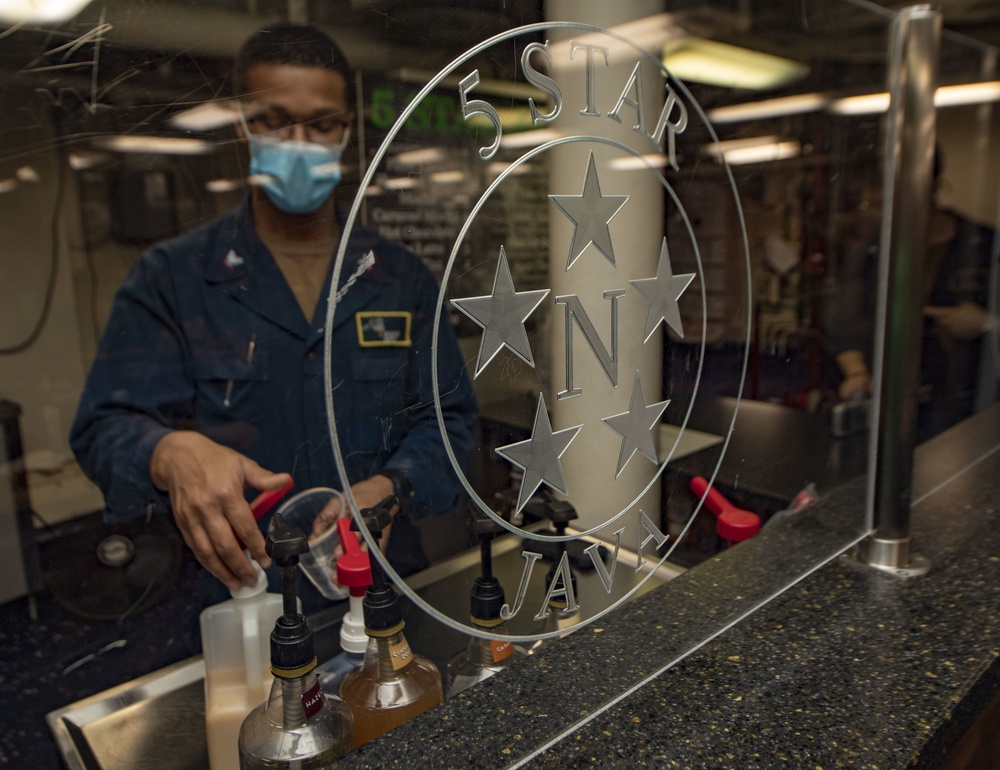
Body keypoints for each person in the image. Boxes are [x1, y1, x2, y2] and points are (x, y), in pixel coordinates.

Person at [70, 23, 478, 608]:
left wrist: (391, 486)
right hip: (236, 585)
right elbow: (103, 427)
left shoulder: (398, 278)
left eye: (322, 124)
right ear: (242, 123)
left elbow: (450, 419)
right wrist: (168, 453)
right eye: (275, 121)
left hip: (376, 579)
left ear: (346, 131)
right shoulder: (175, 277)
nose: (300, 142)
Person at [830, 150, 996, 440]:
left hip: (969, 408)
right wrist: (857, 373)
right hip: (894, 406)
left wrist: (988, 323)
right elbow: (845, 321)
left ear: (933, 186)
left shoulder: (985, 245)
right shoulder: (873, 252)